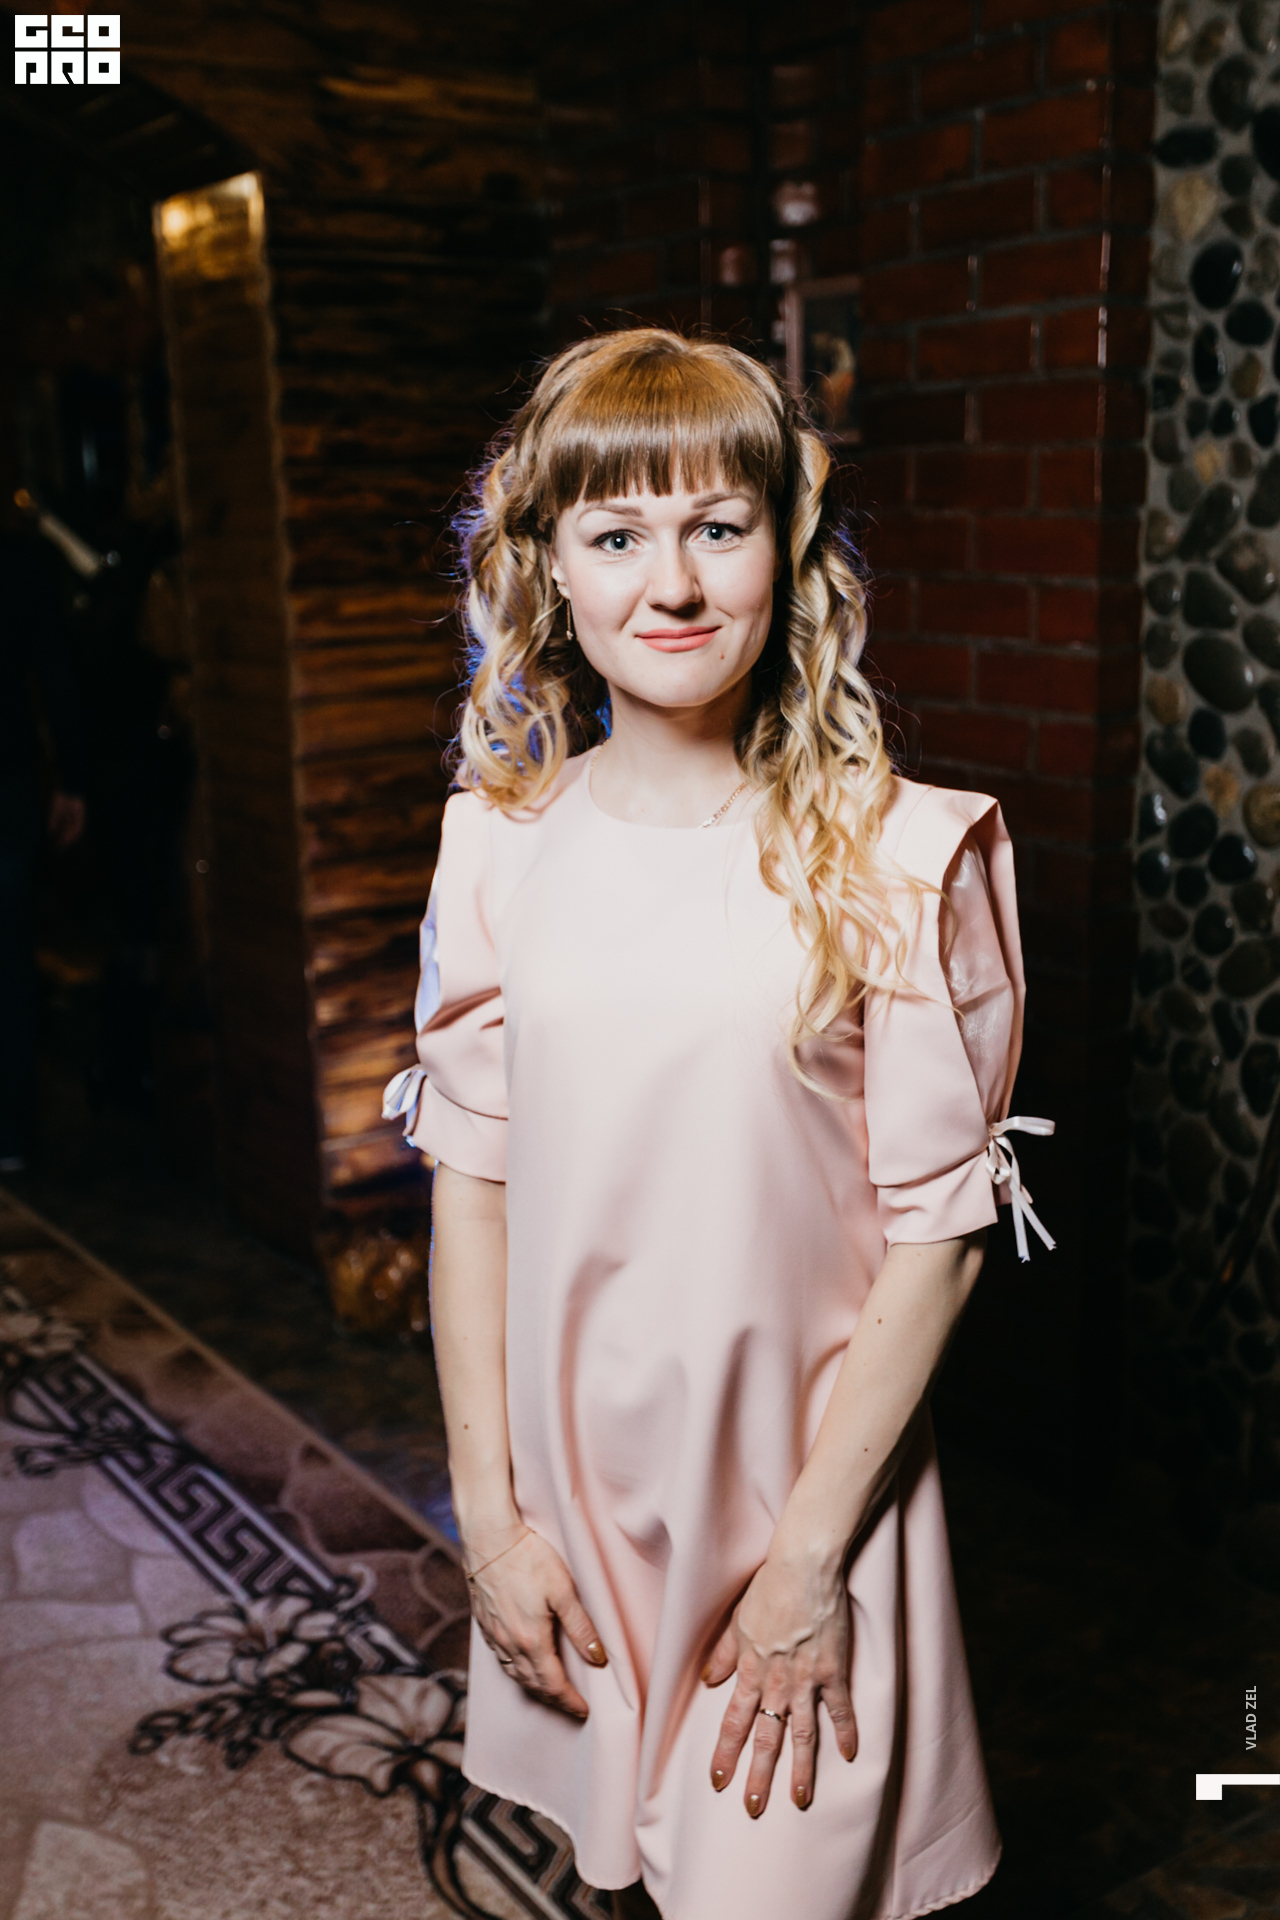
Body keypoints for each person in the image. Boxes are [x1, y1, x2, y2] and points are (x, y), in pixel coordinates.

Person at [382, 328, 1053, 1920]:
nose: (673, 584)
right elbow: (471, 1192)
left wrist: (809, 1566)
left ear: (783, 555)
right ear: (549, 570)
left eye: (717, 528)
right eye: (617, 535)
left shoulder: (902, 857)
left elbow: (943, 1239)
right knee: (620, 1875)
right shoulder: (498, 845)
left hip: (799, 1513)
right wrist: (492, 1522)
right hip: (577, 1508)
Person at [0, 524, 87, 1173]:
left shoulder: (19, 558)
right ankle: (10, 1134)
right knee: (9, 964)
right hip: (10, 787)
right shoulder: (18, 558)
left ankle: (10, 1132)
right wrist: (72, 780)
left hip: (10, 791)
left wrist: (73, 780)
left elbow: (56, 670)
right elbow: (55, 670)